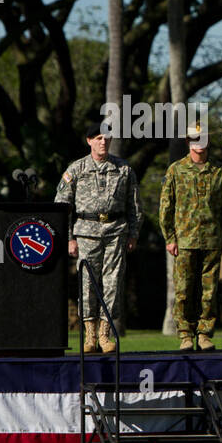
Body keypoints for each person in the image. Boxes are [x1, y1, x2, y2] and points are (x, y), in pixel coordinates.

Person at [55, 121, 142, 353]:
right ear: (89, 141)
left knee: (113, 283)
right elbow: (62, 205)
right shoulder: (77, 169)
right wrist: (69, 238)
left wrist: (133, 233)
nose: (103, 142)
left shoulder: (124, 169)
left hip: (115, 231)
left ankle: (105, 333)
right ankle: (89, 335)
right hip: (86, 232)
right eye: (98, 138)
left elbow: (134, 205)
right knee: (87, 282)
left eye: (106, 138)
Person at [159, 125, 222, 351]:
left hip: (212, 240)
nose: (198, 143)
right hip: (184, 241)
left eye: (202, 139)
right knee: (184, 290)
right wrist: (169, 237)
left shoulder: (219, 172)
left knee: (209, 292)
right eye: (194, 139)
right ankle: (185, 335)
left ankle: (204, 334)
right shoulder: (176, 170)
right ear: (188, 143)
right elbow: (166, 206)